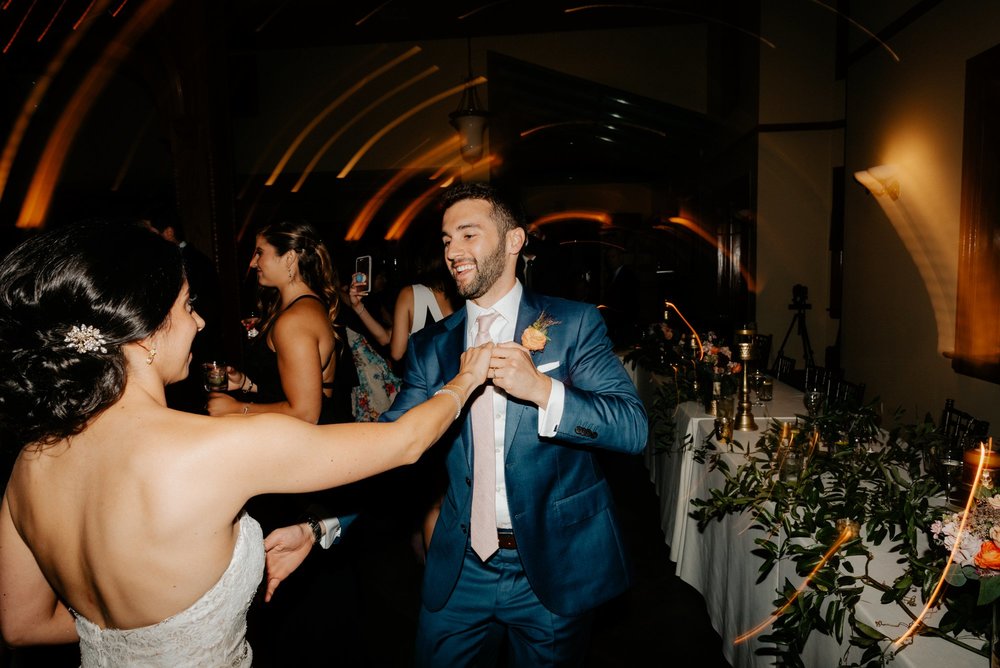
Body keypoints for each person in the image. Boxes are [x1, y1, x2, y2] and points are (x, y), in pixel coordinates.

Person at [0, 220, 491, 666]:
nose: (199, 323)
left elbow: (23, 626)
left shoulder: (30, 462)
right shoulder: (217, 447)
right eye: (187, 306)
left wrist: (139, 638)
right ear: (146, 332)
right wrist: (464, 379)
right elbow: (404, 443)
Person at [385, 182, 648, 666]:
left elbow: (632, 428)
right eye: (446, 240)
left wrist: (543, 390)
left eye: (468, 235)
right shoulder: (431, 347)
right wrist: (326, 521)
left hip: (550, 563)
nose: (453, 252)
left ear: (514, 241)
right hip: (460, 566)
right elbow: (389, 443)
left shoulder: (574, 324)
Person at [204, 220, 365, 665]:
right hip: (315, 459)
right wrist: (250, 384)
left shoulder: (295, 319)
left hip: (304, 469)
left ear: (290, 258)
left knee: (302, 598)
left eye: (261, 253)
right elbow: (299, 387)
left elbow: (305, 411)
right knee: (316, 586)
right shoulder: (304, 309)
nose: (253, 262)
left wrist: (235, 410)